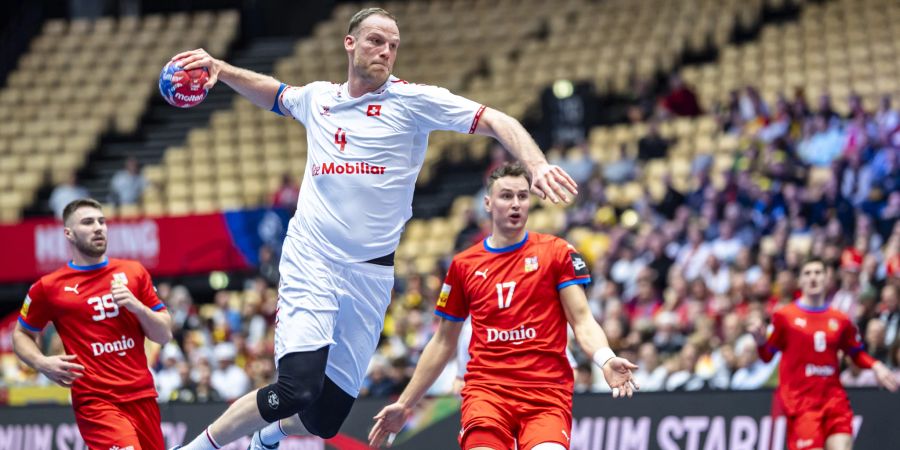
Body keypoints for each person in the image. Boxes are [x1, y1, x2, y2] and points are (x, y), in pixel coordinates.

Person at [167, 7, 579, 450]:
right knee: (296, 389)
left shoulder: (414, 101)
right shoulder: (319, 98)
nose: (386, 51)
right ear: (350, 43)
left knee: (324, 419)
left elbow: (499, 120)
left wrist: (536, 165)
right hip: (314, 259)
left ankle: (269, 437)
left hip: (371, 275)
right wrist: (222, 69)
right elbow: (276, 94)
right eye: (376, 41)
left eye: (393, 45)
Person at [368, 163, 638, 450]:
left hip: (545, 394)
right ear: (488, 202)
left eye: (522, 196)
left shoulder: (556, 252)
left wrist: (606, 359)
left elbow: (582, 320)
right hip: (487, 394)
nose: (515, 204)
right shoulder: (463, 265)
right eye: (506, 196)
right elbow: (442, 342)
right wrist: (405, 403)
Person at [12, 198, 172, 450]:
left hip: (142, 396)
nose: (98, 228)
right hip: (95, 400)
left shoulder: (134, 272)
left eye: (102, 221)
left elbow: (163, 335)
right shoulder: (49, 286)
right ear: (68, 233)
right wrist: (42, 362)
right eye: (87, 222)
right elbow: (21, 333)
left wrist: (136, 306)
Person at [749, 258, 898, 450]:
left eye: (818, 273)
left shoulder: (840, 319)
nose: (813, 277)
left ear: (827, 278)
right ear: (800, 281)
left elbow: (855, 352)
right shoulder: (785, 317)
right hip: (801, 405)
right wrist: (761, 342)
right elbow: (767, 356)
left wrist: (876, 366)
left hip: (834, 400)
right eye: (808, 273)